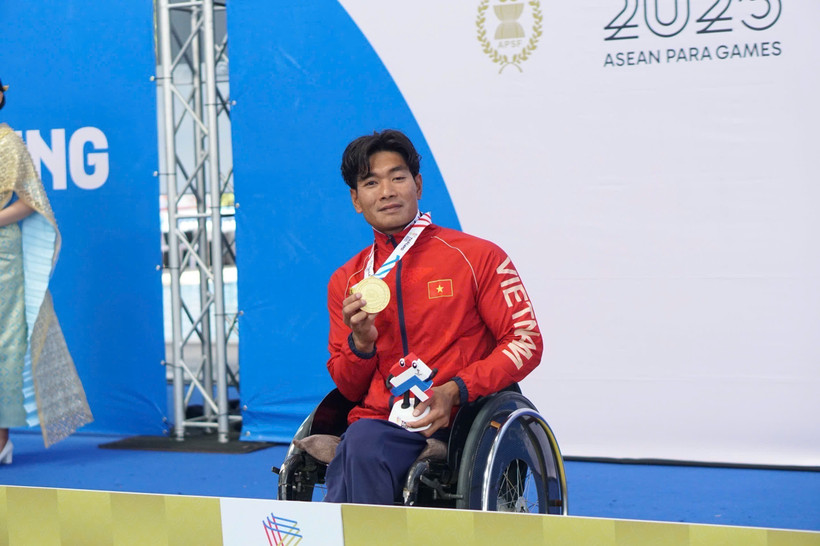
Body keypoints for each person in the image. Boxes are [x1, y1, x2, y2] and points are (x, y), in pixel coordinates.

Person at [324, 129, 542, 504]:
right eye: (371, 183)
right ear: (356, 200)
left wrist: (455, 389)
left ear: (418, 185)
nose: (387, 191)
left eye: (397, 177)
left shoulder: (477, 257)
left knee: (360, 447)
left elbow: (526, 341)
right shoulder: (347, 281)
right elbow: (347, 388)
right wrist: (361, 344)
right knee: (361, 442)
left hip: (459, 420)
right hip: (379, 423)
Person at [0, 78, 93, 464]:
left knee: (4, 346)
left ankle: (1, 440)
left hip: (1, 259)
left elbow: (31, 202)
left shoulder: (8, 144)